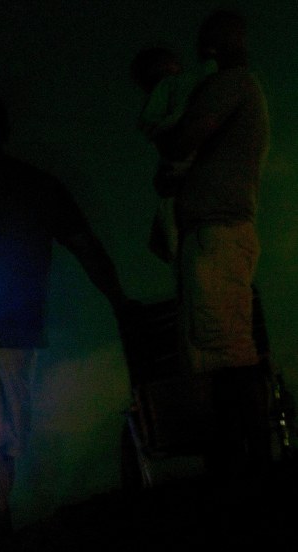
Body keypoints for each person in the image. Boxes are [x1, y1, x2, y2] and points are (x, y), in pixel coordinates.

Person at [0, 97, 133, 547]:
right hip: (21, 329)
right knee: (9, 438)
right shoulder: (39, 184)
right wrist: (118, 299)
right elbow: (85, 246)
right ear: (6, 133)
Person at [152, 10, 272, 480]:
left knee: (227, 353)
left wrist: (164, 115)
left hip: (217, 234)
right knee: (222, 352)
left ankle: (247, 469)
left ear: (215, 45)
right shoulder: (241, 89)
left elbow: (180, 144)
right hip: (216, 234)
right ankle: (245, 464)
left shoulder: (231, 85)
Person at [130, 45, 218, 263]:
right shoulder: (187, 87)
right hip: (195, 181)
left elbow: (154, 128)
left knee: (183, 249)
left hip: (185, 182)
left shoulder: (169, 91)